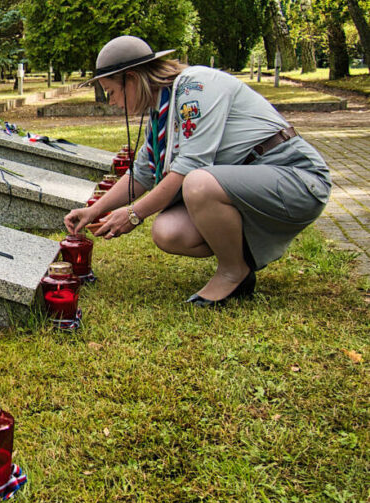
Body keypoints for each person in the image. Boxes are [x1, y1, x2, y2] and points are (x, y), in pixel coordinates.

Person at [64, 35, 331, 307]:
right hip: (252, 186)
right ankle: (240, 265)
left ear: (131, 78)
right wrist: (94, 210)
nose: (112, 102)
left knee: (197, 183)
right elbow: (142, 173)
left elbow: (188, 170)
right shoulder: (161, 112)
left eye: (112, 91)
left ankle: (232, 272)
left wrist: (134, 214)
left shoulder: (195, 88)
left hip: (296, 178)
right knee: (168, 230)